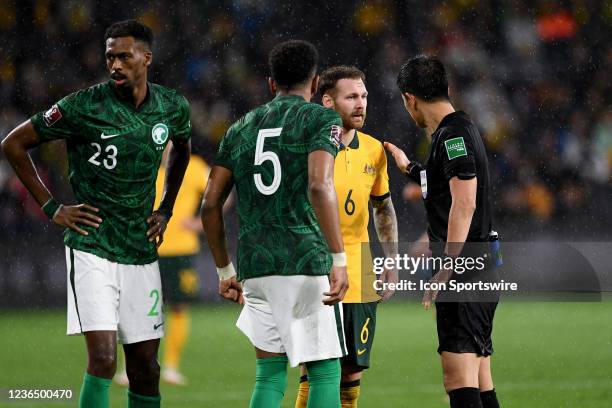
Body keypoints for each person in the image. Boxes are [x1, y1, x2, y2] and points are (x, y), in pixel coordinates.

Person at [1, 20, 191, 408]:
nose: (115, 64)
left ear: (146, 58)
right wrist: (53, 207)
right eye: (110, 57)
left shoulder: (172, 106)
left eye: (124, 56)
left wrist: (166, 208)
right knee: (104, 360)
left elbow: (182, 148)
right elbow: (14, 144)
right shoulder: (83, 105)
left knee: (146, 369)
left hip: (140, 248)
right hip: (93, 244)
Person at [201, 40, 349, 408]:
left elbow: (209, 204)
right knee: (325, 371)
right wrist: (340, 260)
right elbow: (319, 184)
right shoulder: (321, 118)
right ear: (315, 83)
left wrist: (224, 269)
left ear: (271, 84)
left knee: (269, 374)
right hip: (305, 258)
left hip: (256, 265)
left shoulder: (240, 128)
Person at [384, 56, 501, 408]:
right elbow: (445, 181)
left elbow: (464, 203)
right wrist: (410, 169)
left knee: (458, 380)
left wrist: (446, 267)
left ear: (410, 99)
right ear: (446, 89)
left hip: (466, 272)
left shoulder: (453, 135)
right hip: (480, 268)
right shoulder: (456, 131)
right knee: (480, 380)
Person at [294, 66, 398, 408]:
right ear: (328, 102)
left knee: (352, 375)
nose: (361, 104)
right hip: (314, 270)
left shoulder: (374, 150)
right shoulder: (307, 147)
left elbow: (383, 209)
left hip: (361, 271)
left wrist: (392, 261)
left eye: (364, 96)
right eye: (351, 96)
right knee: (317, 372)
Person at [114, 147, 210, 387]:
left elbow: (222, 191)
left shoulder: (194, 165)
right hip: (146, 248)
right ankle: (128, 369)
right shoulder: (142, 163)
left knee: (178, 307)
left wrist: (201, 222)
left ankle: (171, 367)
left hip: (181, 250)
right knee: (138, 309)